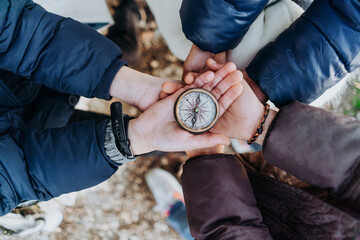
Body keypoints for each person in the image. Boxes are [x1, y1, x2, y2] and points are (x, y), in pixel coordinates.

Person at [0, 0, 243, 217]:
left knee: (121, 60)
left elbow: (14, 29)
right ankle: (128, 22)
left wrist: (118, 79)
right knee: (140, 138)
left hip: (17, 81)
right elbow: (16, 177)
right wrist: (128, 140)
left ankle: (128, 21)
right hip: (35, 125)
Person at [166, 64, 360, 239]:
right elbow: (355, 167)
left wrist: (207, 162)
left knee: (198, 220)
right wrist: (260, 124)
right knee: (245, 175)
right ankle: (247, 144)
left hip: (237, 220)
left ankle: (177, 213)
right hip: (290, 184)